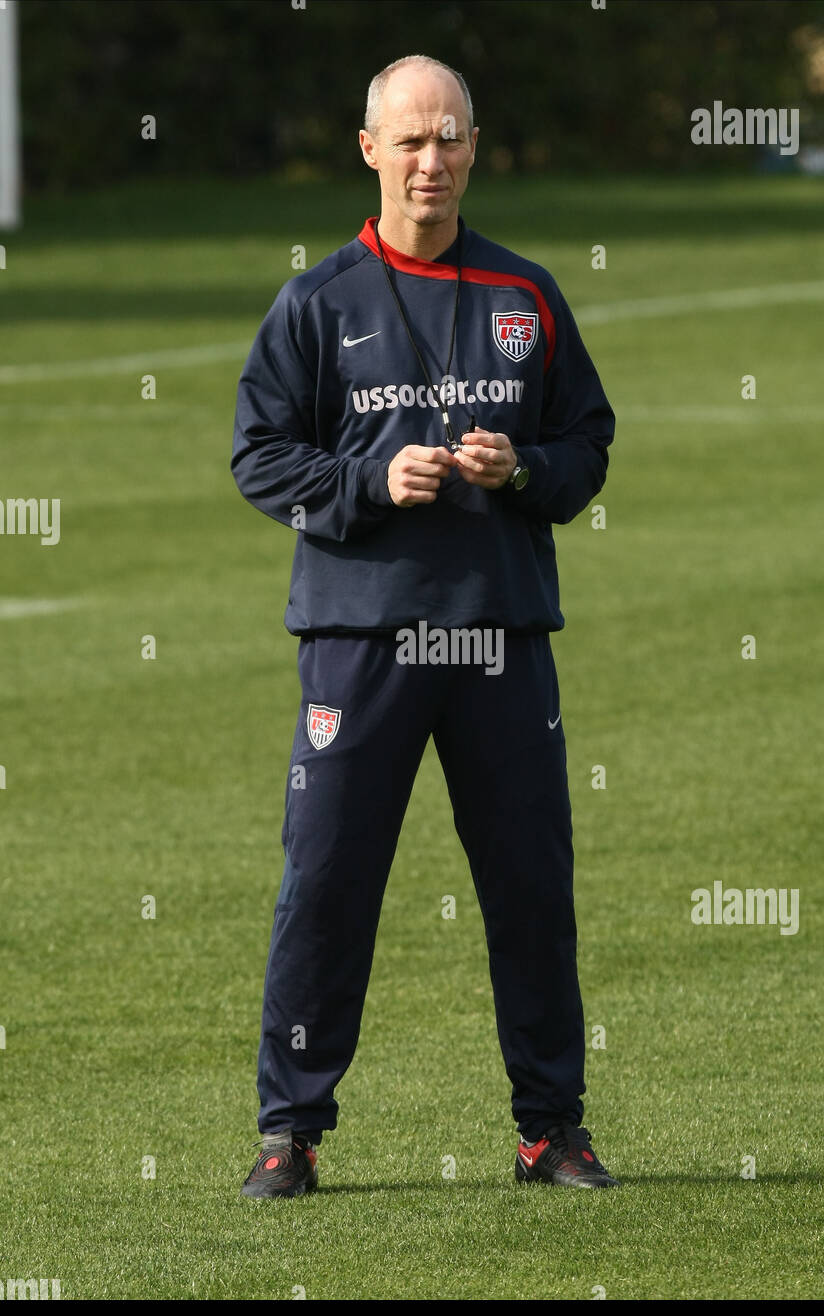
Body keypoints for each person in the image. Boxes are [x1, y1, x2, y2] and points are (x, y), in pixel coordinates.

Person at [232, 54, 617, 1196]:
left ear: (474, 146)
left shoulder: (527, 294)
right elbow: (259, 457)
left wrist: (525, 466)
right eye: (409, 140)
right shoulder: (317, 301)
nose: (430, 159)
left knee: (531, 887)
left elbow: (587, 445)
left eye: (448, 137)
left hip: (498, 635)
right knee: (328, 885)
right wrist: (363, 481)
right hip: (359, 640)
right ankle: (287, 1135)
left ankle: (551, 1131)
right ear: (370, 151)